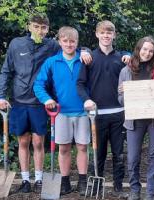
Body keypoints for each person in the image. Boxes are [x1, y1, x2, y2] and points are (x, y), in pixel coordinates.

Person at [0, 13, 91, 193]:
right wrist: (0, 96)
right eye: (36, 26)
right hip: (19, 100)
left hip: (41, 103)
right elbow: (6, 71)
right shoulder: (17, 44)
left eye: (44, 27)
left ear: (48, 29)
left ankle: (39, 180)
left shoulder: (52, 46)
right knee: (23, 141)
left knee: (38, 142)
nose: (40, 31)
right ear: (29, 26)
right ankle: (25, 180)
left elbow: (70, 46)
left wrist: (85, 50)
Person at [33, 26, 90, 196]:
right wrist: (47, 99)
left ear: (77, 42)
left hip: (83, 112)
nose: (69, 44)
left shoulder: (85, 59)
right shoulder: (52, 62)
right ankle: (64, 181)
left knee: (82, 147)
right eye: (65, 41)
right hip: (61, 112)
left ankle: (82, 180)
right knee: (63, 148)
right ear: (59, 42)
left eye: (72, 41)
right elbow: (38, 84)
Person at [76, 20, 130, 198]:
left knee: (118, 153)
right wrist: (86, 100)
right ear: (97, 34)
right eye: (103, 32)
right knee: (98, 153)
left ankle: (118, 186)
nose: (106, 35)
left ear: (114, 35)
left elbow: (133, 77)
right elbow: (80, 83)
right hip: (97, 115)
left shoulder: (122, 59)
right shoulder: (89, 58)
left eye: (110, 32)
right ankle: (97, 184)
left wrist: (130, 58)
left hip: (118, 114)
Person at [118, 36, 154, 200]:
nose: (147, 53)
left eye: (151, 51)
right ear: (138, 49)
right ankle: (134, 189)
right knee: (132, 157)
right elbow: (119, 97)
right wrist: (127, 95)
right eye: (144, 49)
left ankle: (151, 192)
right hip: (134, 120)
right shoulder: (126, 70)